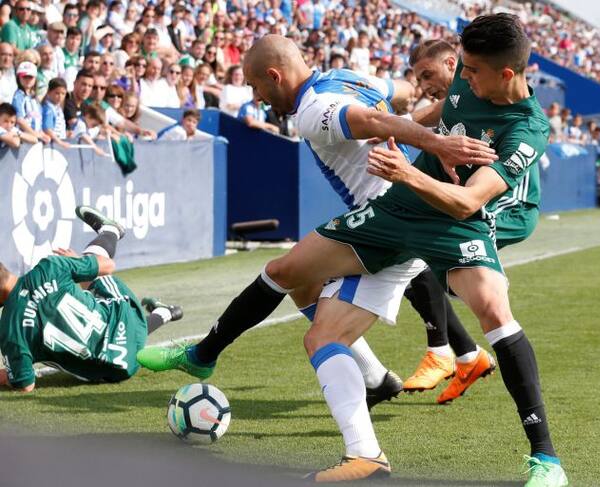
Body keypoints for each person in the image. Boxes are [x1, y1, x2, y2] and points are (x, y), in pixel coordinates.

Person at [139, 16, 568, 486]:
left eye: (471, 71)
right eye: (460, 67)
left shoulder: (527, 130)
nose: (460, 78)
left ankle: (546, 460)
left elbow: (467, 202)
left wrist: (409, 171)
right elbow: (428, 108)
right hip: (394, 209)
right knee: (299, 294)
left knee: (493, 311)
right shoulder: (467, 81)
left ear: (505, 74)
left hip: (451, 220)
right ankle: (365, 454)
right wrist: (423, 133)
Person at [137, 30, 497, 417]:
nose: (256, 97)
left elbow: (373, 119)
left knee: (285, 280)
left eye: (255, 86)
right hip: (403, 208)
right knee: (301, 284)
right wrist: (429, 118)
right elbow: (403, 94)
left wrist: (435, 142)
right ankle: (380, 377)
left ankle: (203, 355)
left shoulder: (312, 110)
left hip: (386, 215)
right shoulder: (348, 78)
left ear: (274, 76)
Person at [0, 206, 183, 392]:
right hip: (126, 321)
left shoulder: (9, 329)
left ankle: (165, 312)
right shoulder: (49, 267)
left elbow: (26, 384)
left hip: (118, 368)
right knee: (93, 273)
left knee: (100, 333)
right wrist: (77, 262)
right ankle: (110, 232)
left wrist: (8, 374)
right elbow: (108, 265)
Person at [12, 61, 50, 144]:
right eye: (24, 77)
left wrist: (42, 134)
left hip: (35, 139)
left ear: (35, 79)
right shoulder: (18, 96)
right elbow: (19, 120)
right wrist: (34, 134)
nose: (27, 80)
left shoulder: (34, 98)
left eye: (30, 77)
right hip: (24, 140)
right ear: (18, 78)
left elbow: (38, 120)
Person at [42, 77, 70, 148]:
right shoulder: (48, 109)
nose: (60, 96)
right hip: (51, 145)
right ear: (49, 92)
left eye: (63, 94)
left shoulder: (58, 108)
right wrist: (60, 142)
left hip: (57, 144)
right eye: (57, 93)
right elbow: (47, 129)